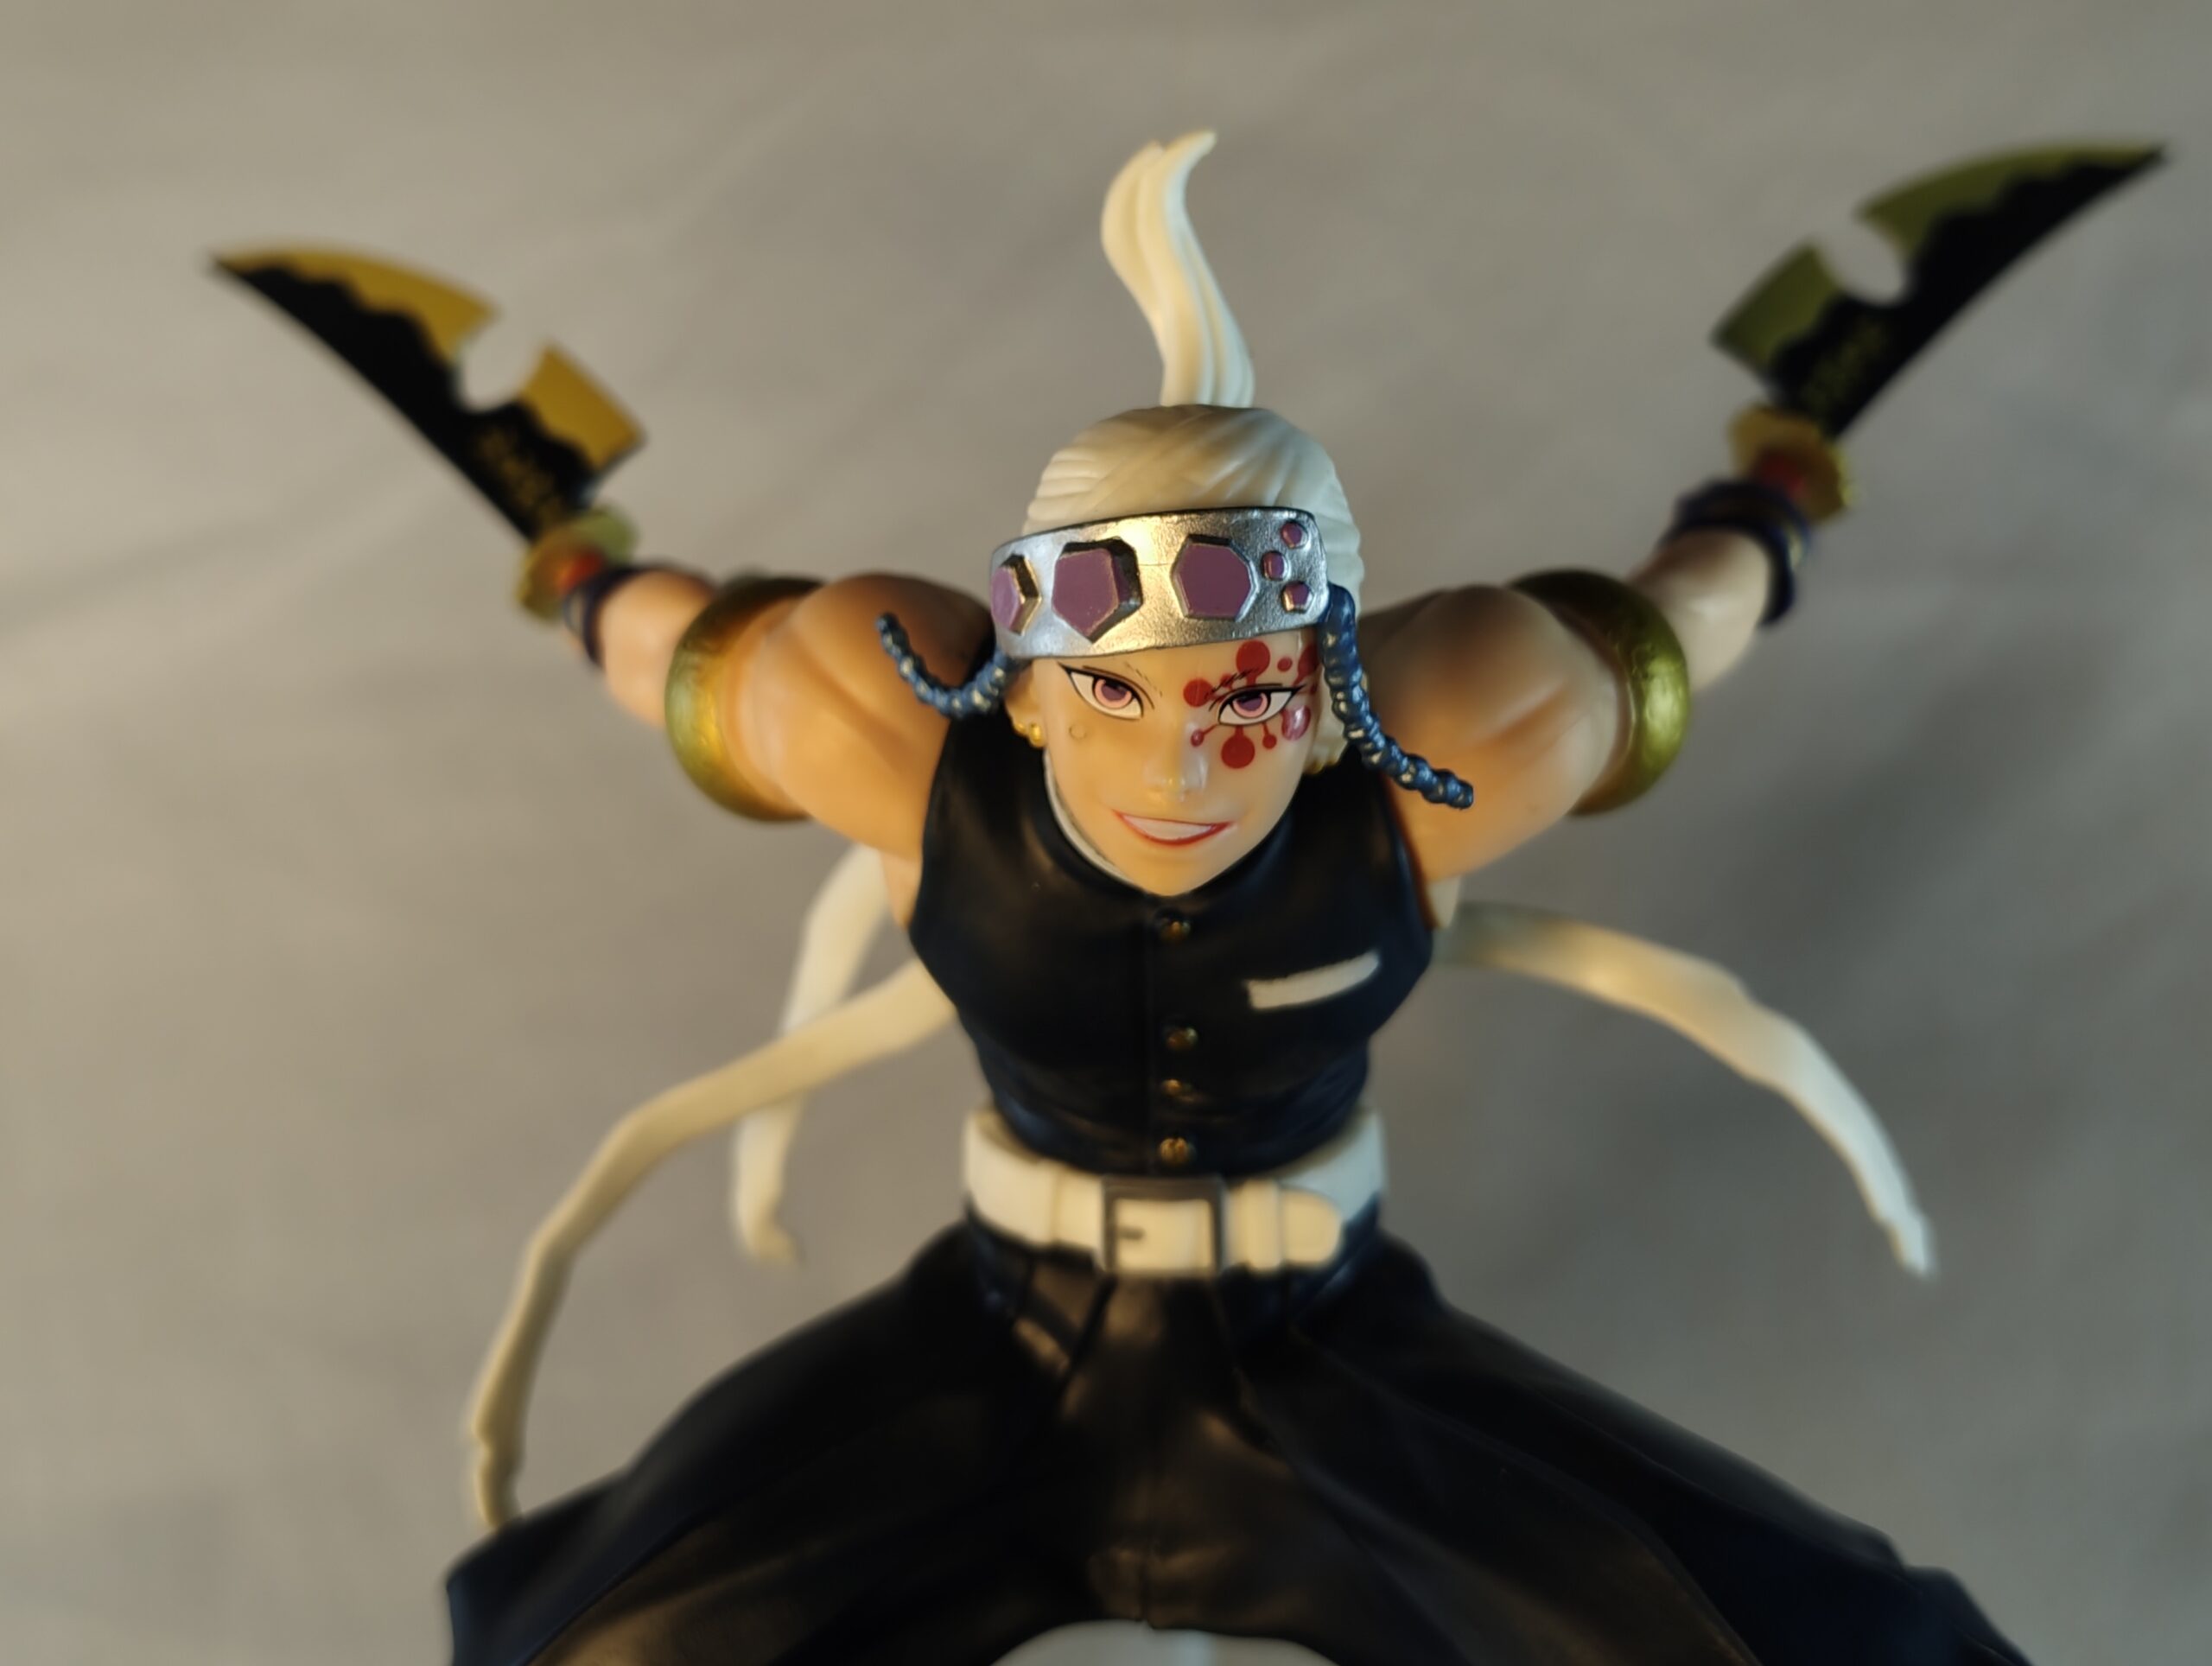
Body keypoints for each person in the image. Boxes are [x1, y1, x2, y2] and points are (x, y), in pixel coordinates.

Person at [444, 133, 2017, 1665]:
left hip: (1330, 1359)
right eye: (1117, 698)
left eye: (1245, 703)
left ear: (1334, 703)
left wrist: (1778, 487)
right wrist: (574, 561)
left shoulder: (1465, 731)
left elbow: (1680, 626)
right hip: (993, 1350)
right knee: (571, 1643)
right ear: (1028, 694)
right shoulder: (884, 729)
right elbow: (681, 655)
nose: (1180, 769)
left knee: (1862, 1647)